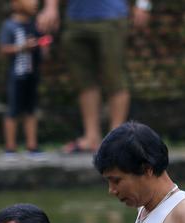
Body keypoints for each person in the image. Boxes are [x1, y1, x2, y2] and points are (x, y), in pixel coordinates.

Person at [36, 0, 150, 154]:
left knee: (114, 79)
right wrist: (51, 7)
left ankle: (116, 140)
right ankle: (91, 138)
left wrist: (143, 5)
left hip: (111, 17)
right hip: (75, 19)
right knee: (84, 82)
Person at [0, 0, 46, 159]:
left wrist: (44, 44)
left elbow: (43, 43)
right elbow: (3, 48)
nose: (35, 3)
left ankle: (32, 146)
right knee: (13, 109)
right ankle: (10, 148)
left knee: (31, 109)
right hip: (16, 75)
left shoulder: (34, 25)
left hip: (32, 74)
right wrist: (22, 47)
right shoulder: (9, 25)